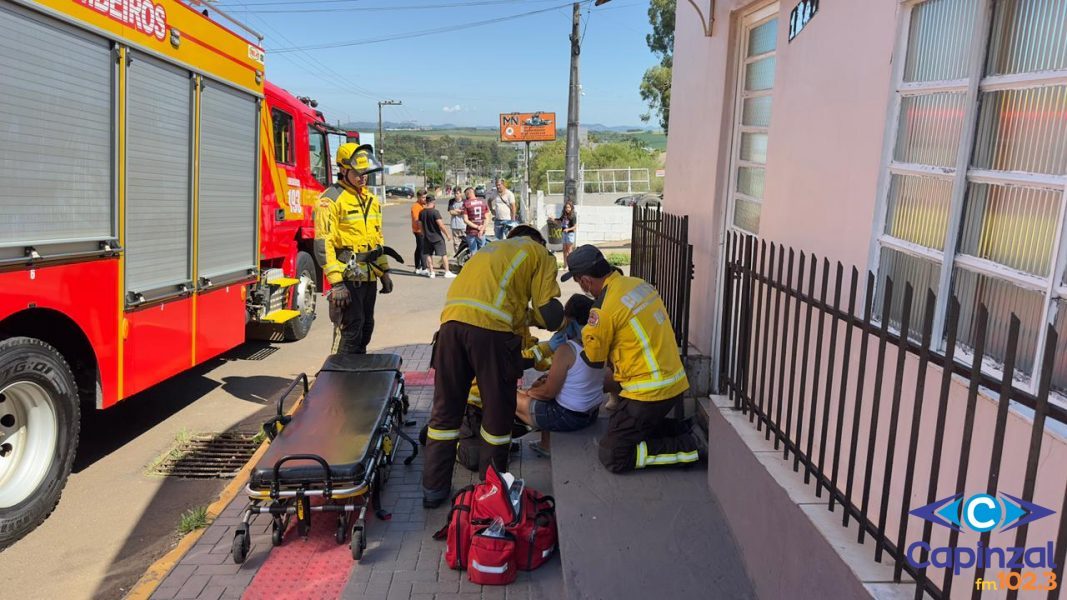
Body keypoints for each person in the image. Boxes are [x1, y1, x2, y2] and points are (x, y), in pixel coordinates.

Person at [422, 224, 564, 508]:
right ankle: (492, 492)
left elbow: (499, 302)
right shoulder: (539, 253)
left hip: (449, 329)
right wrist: (565, 326)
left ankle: (434, 490)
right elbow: (549, 314)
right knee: (498, 416)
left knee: (444, 414)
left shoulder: (488, 250)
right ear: (536, 240)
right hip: (490, 336)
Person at [561, 245, 704, 472]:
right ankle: (685, 428)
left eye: (578, 281)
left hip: (650, 389)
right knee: (622, 424)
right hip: (672, 379)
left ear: (586, 281)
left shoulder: (602, 311)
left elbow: (594, 361)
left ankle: (691, 446)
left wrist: (575, 345)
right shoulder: (637, 284)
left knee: (613, 455)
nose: (581, 287)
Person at [317, 143, 394, 354]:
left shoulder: (370, 199)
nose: (363, 178)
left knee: (366, 327)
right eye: (358, 173)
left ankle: (357, 375)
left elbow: (376, 239)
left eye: (366, 173)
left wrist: (384, 272)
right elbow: (323, 243)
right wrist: (337, 284)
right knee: (349, 330)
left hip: (368, 277)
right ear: (343, 170)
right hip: (347, 278)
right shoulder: (331, 199)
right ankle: (338, 379)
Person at [515, 295, 603, 457]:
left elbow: (548, 392)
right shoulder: (600, 342)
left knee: (508, 396)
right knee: (542, 386)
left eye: (566, 322)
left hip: (568, 418)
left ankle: (502, 444)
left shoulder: (567, 349)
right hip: (592, 413)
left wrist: (527, 393)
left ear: (571, 320)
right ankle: (545, 444)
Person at [417, 196, 455, 279]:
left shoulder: (421, 212)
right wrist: (447, 235)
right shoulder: (435, 212)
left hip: (426, 237)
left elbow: (419, 225)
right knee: (443, 254)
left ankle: (431, 272)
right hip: (437, 237)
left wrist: (423, 234)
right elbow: (441, 225)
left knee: (428, 254)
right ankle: (447, 272)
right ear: (433, 202)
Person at [462, 186, 489, 255]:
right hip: (481, 232)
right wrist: (482, 229)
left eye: (466, 194)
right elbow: (487, 218)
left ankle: (474, 265)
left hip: (471, 232)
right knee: (482, 253)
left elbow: (465, 220)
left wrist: (477, 227)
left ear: (468, 194)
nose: (466, 197)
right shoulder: (483, 202)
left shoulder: (466, 204)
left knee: (473, 253)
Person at [410, 190, 429, 275]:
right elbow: (416, 219)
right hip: (418, 230)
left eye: (425, 197)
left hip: (424, 230)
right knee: (422, 249)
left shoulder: (425, 205)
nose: (425, 199)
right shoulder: (416, 206)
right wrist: (422, 230)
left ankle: (418, 267)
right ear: (418, 197)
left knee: (419, 248)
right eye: (423, 197)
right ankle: (424, 268)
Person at [448, 188, 466, 254]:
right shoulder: (451, 201)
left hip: (464, 225)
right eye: (455, 193)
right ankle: (458, 257)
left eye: (458, 193)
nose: (456, 195)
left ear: (461, 193)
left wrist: (456, 210)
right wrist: (460, 211)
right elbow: (451, 212)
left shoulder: (465, 201)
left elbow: (465, 212)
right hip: (454, 226)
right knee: (456, 243)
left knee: (465, 242)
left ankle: (464, 256)